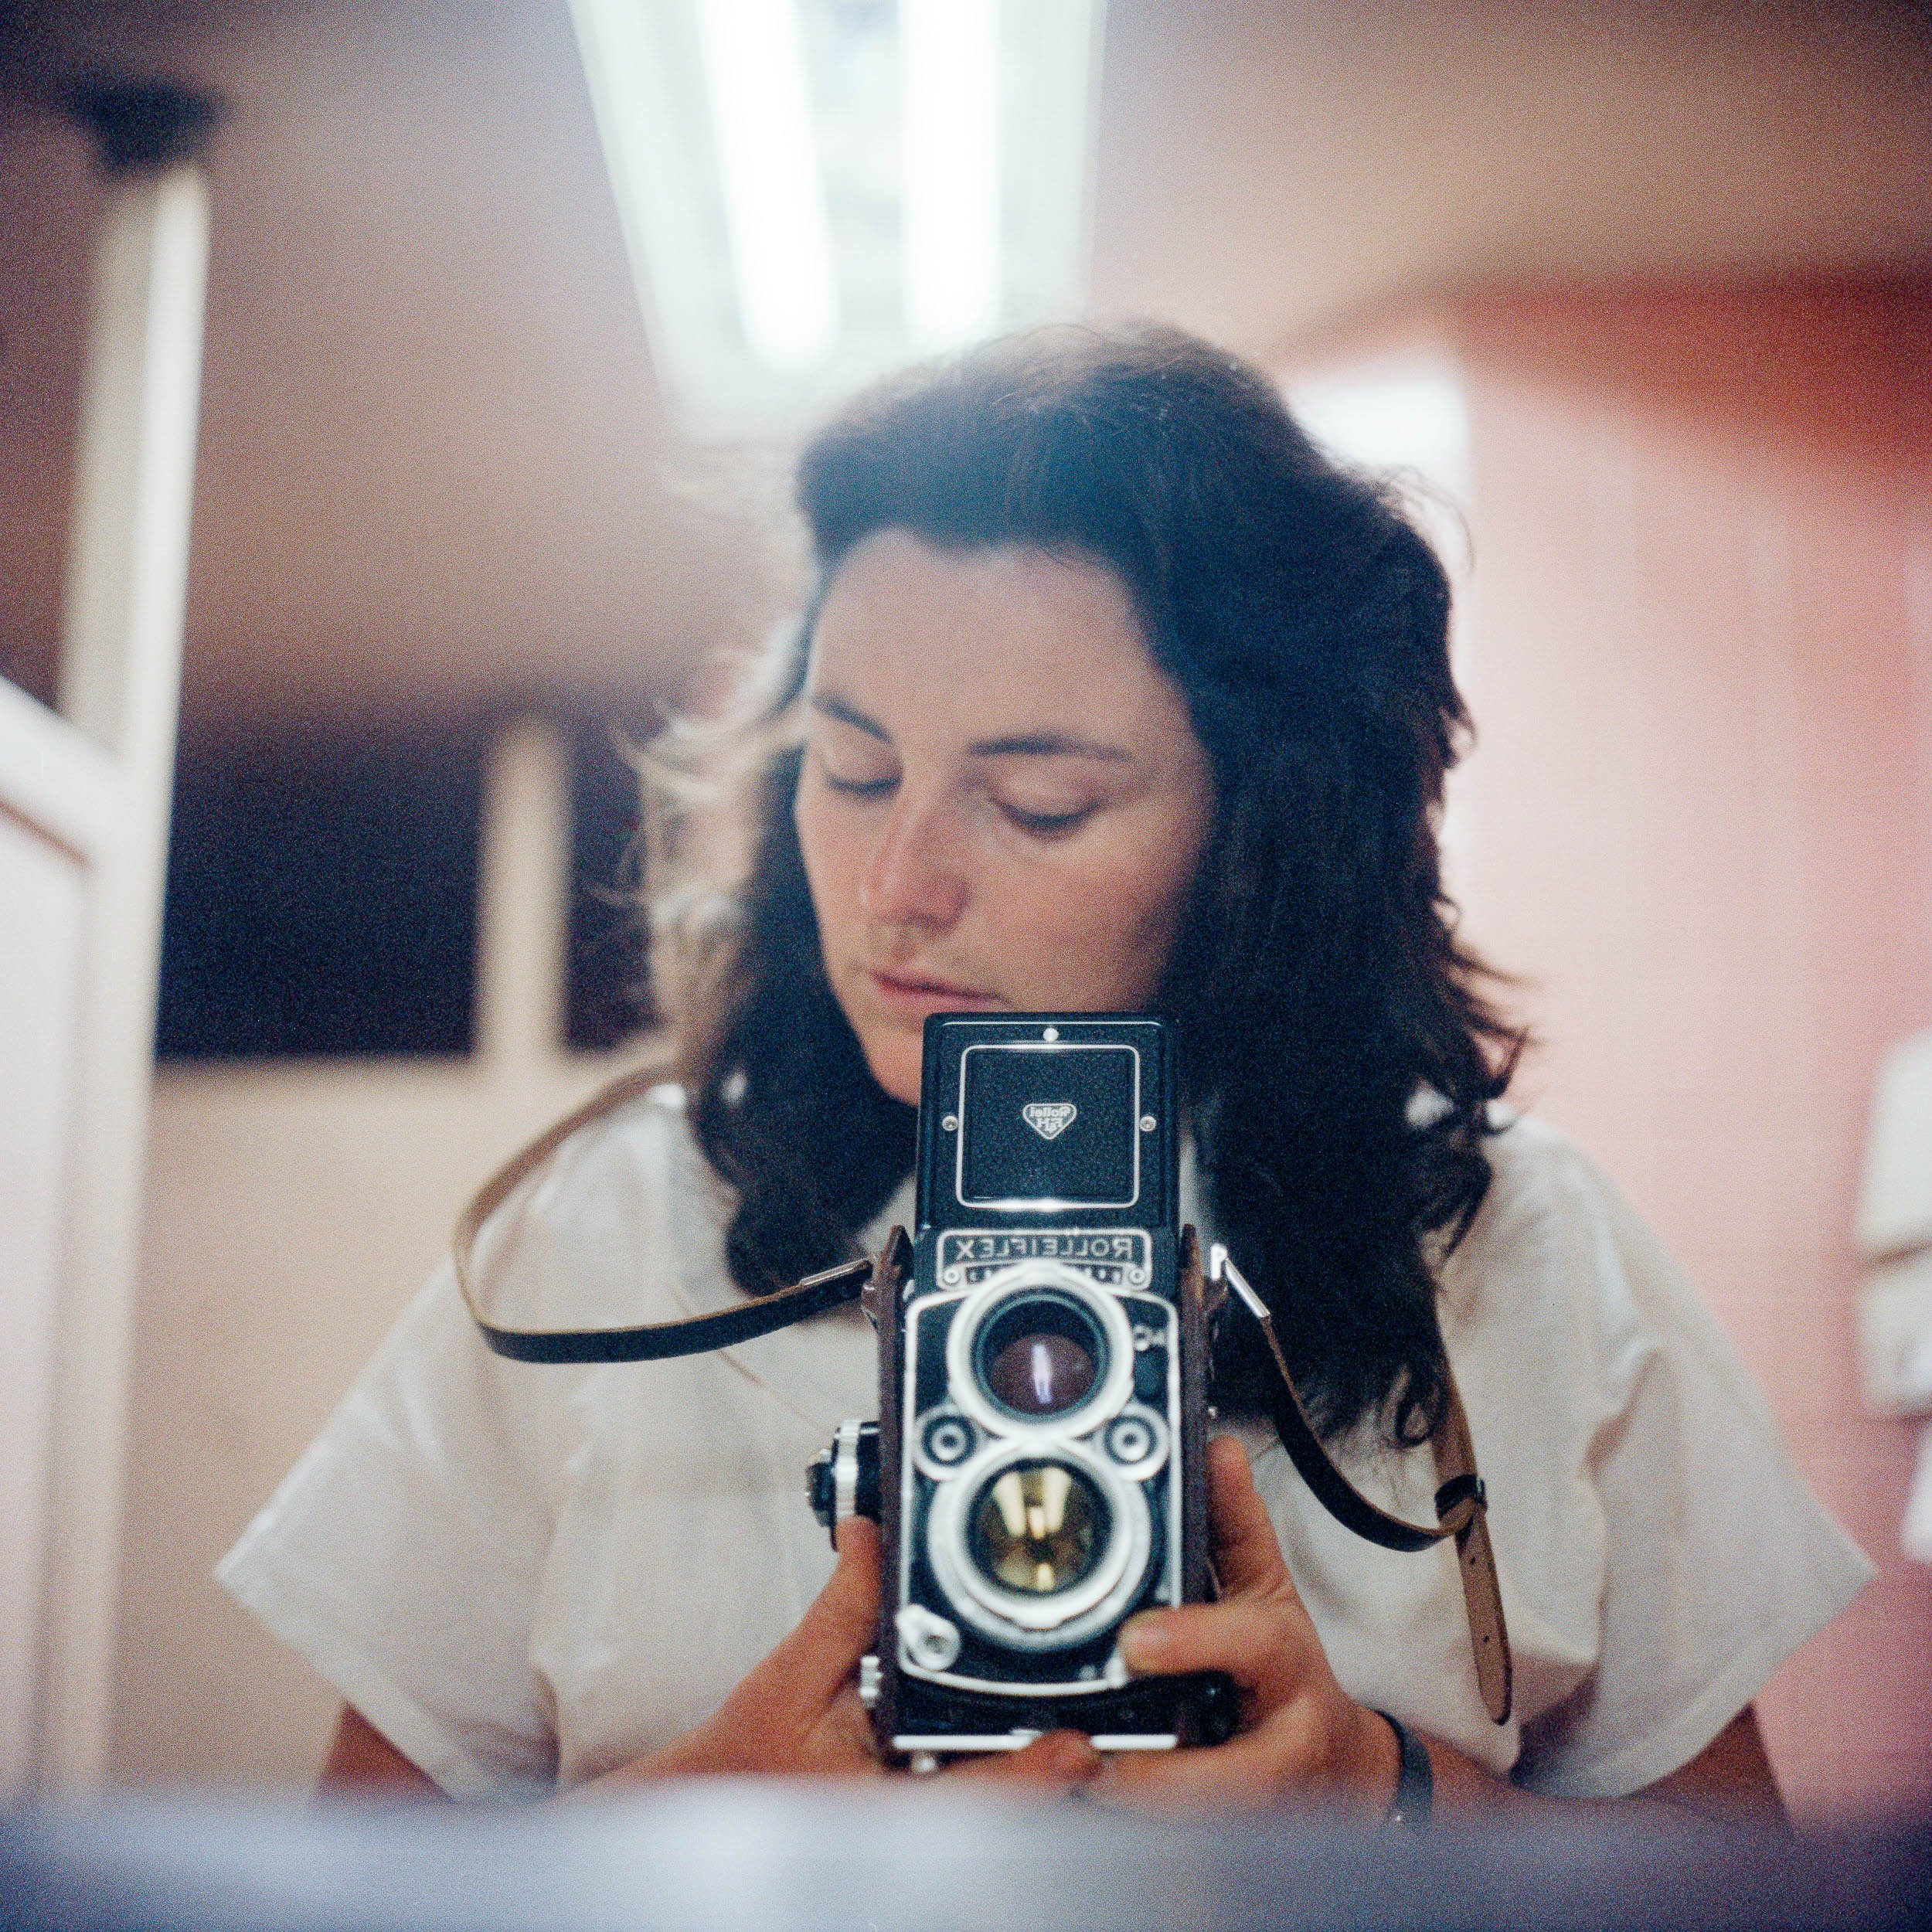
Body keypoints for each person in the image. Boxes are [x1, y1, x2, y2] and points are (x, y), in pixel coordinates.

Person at [219, 325, 1869, 1815]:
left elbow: (1724, 1886)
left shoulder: (1524, 1247)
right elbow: (364, 1876)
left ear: (1264, 837)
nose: (895, 886)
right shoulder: (595, 1226)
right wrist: (696, 1833)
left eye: (1039, 807)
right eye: (853, 768)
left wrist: (1380, 1798)